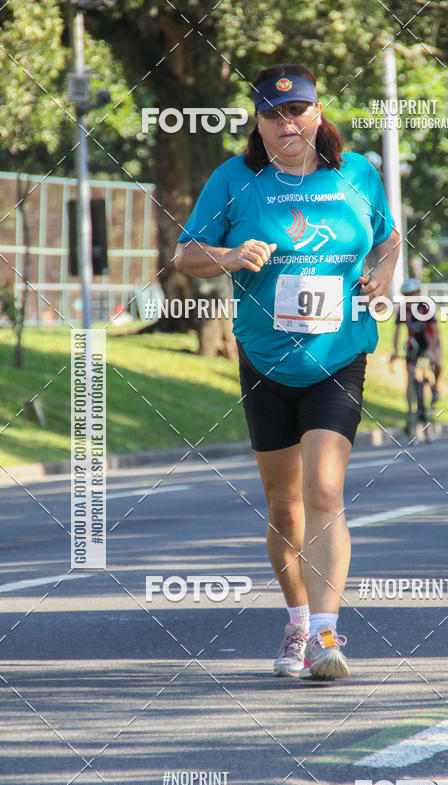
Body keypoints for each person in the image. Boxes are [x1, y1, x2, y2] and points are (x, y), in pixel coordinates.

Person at [174, 63, 399, 680]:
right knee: (284, 507)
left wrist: (383, 275)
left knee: (324, 491)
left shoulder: (358, 174)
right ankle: (297, 620)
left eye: (296, 111)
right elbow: (186, 255)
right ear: (258, 123)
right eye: (273, 115)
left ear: (317, 114)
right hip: (265, 359)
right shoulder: (234, 178)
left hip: (338, 357)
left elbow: (388, 238)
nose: (286, 123)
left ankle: (327, 635)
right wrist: (229, 255)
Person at [390, 277, 442, 437]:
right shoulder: (403, 310)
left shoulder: (426, 307)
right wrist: (395, 351)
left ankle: (435, 387)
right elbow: (397, 332)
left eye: (412, 294)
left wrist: (431, 350)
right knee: (410, 376)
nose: (410, 298)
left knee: (437, 363)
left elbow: (436, 331)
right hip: (414, 345)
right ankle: (410, 413)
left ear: (419, 293)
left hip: (430, 343)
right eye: (407, 295)